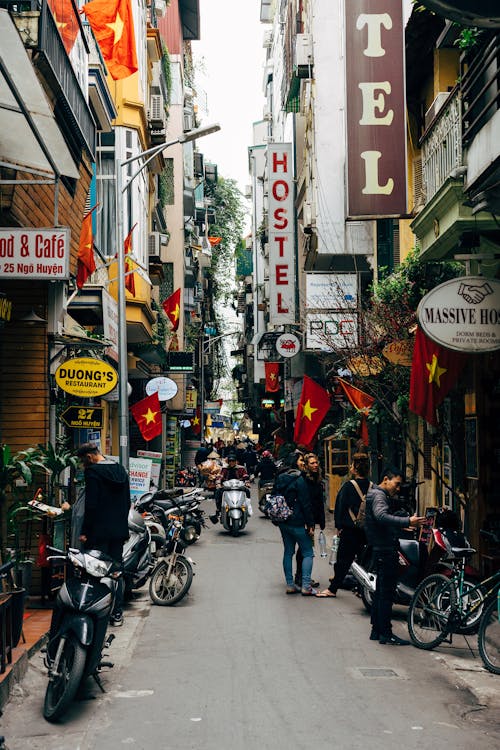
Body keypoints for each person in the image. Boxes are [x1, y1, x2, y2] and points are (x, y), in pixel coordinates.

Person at [364, 465, 425, 645]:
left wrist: (399, 525)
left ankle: (377, 630)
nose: (397, 489)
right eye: (396, 484)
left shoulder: (376, 494)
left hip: (380, 547)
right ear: (386, 480)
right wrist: (407, 520)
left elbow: (380, 521)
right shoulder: (379, 495)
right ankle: (385, 633)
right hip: (384, 549)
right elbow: (381, 516)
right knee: (386, 593)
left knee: (381, 591)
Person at [76, 442, 131, 626]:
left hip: (98, 532)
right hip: (118, 531)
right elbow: (127, 502)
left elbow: (91, 505)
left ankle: (97, 612)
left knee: (95, 571)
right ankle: (116, 613)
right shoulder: (120, 471)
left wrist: (85, 531)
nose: (84, 465)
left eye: (84, 461)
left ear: (90, 457)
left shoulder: (93, 473)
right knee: (116, 572)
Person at [317, 452, 371, 598]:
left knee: (343, 561)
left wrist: (338, 527)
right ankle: (363, 590)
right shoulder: (373, 486)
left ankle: (332, 589)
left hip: (350, 530)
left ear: (354, 468)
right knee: (364, 562)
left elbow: (339, 508)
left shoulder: (348, 486)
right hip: (367, 531)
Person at [274, 460, 316, 595]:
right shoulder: (300, 480)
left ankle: (290, 585)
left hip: (283, 521)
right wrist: (310, 524)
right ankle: (306, 586)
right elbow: (306, 504)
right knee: (308, 552)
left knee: (288, 552)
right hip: (298, 521)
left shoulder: (280, 479)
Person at [294, 453, 325, 590]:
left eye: (316, 462)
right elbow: (306, 503)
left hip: (312, 519)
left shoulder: (316, 479)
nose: (315, 465)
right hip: (306, 520)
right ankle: (301, 577)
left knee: (304, 549)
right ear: (306, 466)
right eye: (312, 463)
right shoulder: (304, 480)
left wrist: (321, 520)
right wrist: (310, 523)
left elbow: (319, 502)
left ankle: (301, 576)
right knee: (305, 550)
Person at [211, 454, 250, 522]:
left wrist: (247, 482)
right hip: (227, 487)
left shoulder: (241, 468)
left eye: (233, 461)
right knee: (217, 492)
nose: (231, 462)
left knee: (247, 491)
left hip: (239, 486)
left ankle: (247, 508)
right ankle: (219, 510)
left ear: (236, 461)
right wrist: (218, 483)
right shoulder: (224, 468)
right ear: (228, 462)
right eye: (230, 461)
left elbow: (245, 476)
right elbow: (220, 476)